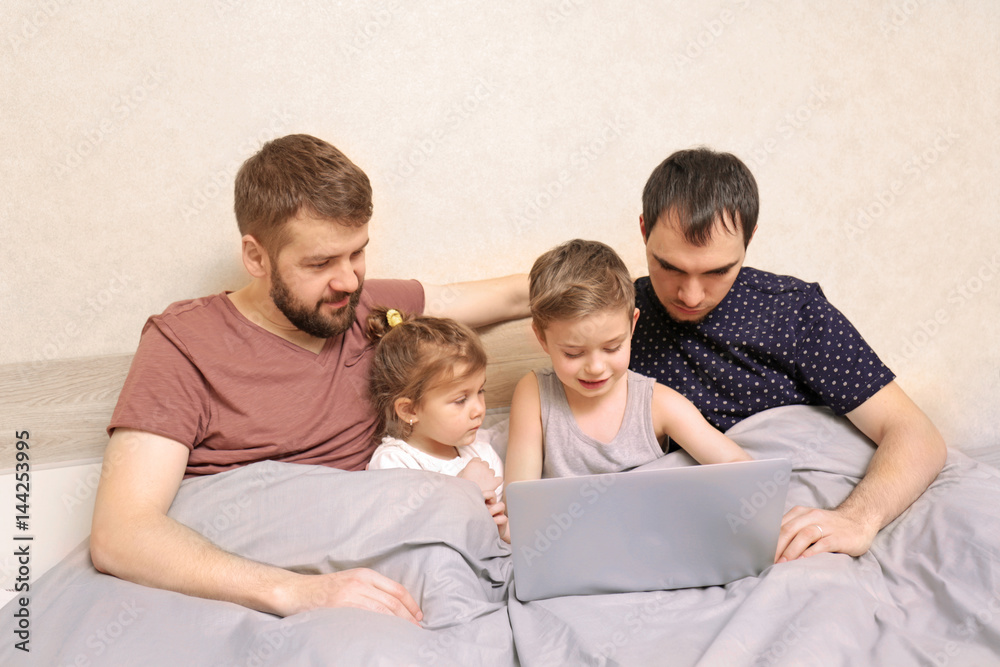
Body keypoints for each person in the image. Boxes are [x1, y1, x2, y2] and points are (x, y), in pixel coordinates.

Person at [89, 134, 528, 624]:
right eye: (320, 263)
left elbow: (511, 297)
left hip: (379, 550)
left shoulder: (373, 307)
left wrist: (615, 285)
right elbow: (120, 533)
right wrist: (295, 592)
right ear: (257, 257)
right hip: (255, 575)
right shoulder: (184, 343)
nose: (348, 281)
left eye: (357, 253)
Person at [630, 147, 947, 563]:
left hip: (814, 505)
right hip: (701, 524)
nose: (690, 295)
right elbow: (536, 292)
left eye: (717, 271)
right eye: (669, 266)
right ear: (642, 231)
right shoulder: (613, 318)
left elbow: (916, 435)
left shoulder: (793, 311)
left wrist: (857, 520)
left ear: (750, 238)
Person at [504, 239, 751, 492]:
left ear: (632, 326)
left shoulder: (659, 404)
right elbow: (520, 498)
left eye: (612, 348)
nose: (596, 367)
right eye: (573, 353)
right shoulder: (534, 393)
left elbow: (737, 465)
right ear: (542, 338)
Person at [364, 306, 509, 541]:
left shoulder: (481, 454)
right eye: (461, 400)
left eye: (480, 391)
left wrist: (501, 529)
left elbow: (494, 533)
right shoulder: (395, 463)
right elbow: (403, 538)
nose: (479, 409)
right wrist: (466, 490)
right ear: (410, 409)